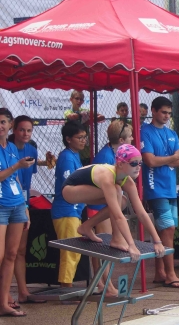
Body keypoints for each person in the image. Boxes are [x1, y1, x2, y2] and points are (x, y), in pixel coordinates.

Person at [62, 144, 165, 262]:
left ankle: (86, 226)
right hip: (70, 190)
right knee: (117, 191)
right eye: (133, 163)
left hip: (87, 189)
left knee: (122, 201)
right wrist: (131, 245)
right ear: (120, 164)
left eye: (140, 163)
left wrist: (157, 241)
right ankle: (116, 238)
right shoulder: (108, 177)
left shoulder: (128, 181)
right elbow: (118, 216)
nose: (138, 167)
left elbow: (141, 212)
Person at [8, 115, 56, 306]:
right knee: (7, 252)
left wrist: (47, 161)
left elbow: (29, 175)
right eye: (22, 130)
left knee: (20, 250)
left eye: (29, 130)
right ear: (14, 130)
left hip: (23, 202)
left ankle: (23, 291)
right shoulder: (9, 149)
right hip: (10, 201)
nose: (25, 134)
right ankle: (5, 294)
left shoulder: (31, 149)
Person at [140, 96, 179, 288]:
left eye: (169, 113)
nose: (167, 116)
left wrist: (166, 159)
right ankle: (171, 274)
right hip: (155, 187)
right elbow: (149, 161)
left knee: (166, 230)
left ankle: (160, 272)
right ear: (153, 111)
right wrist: (171, 158)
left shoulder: (172, 134)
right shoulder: (145, 132)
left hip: (169, 187)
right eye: (163, 112)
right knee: (167, 229)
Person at [86, 119, 134, 296]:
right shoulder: (107, 157)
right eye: (130, 136)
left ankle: (102, 283)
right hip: (99, 205)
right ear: (121, 140)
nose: (133, 139)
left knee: (101, 245)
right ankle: (105, 284)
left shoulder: (112, 153)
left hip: (103, 204)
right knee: (103, 245)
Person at [0, 108, 33, 317]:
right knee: (1, 254)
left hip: (16, 204)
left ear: (9, 125)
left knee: (12, 254)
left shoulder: (11, 147)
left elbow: (17, 179)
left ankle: (4, 301)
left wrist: (26, 206)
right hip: (1, 205)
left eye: (3, 122)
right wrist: (16, 166)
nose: (0, 126)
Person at [51, 121, 87, 288]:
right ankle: (66, 287)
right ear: (68, 139)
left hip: (74, 209)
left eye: (84, 137)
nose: (83, 140)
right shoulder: (66, 157)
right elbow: (69, 185)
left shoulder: (74, 155)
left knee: (74, 250)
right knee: (69, 250)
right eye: (79, 137)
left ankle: (67, 284)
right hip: (66, 210)